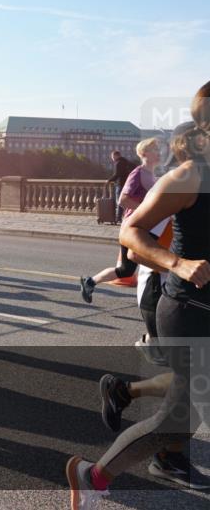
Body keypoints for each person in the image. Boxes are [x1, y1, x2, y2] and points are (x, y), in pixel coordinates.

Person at [66, 82, 210, 506]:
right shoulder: (190, 176)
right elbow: (131, 231)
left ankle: (153, 437)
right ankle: (92, 476)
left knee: (190, 400)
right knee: (181, 414)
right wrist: (177, 263)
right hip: (188, 306)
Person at [79, 138, 163, 303]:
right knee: (132, 269)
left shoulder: (153, 176)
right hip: (132, 227)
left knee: (127, 270)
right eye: (155, 150)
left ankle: (90, 282)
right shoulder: (138, 173)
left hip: (146, 227)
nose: (159, 153)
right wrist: (146, 208)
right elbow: (123, 200)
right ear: (144, 153)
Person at [106, 150, 138, 224]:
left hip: (120, 184)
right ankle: (129, 216)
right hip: (128, 184)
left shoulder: (118, 163)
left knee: (120, 201)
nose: (112, 158)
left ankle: (118, 218)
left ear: (116, 155)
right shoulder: (127, 162)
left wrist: (109, 180)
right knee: (127, 201)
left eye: (112, 157)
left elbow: (117, 174)